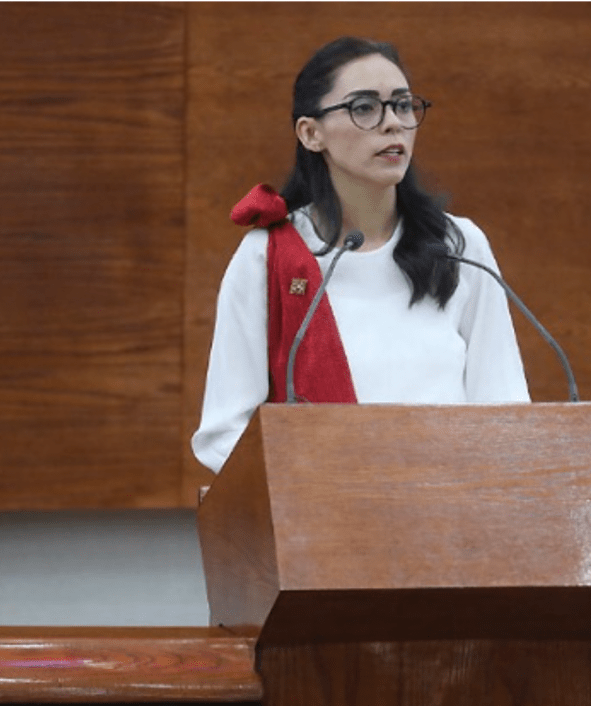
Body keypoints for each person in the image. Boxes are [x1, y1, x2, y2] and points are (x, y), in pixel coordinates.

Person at [192, 36, 529, 473]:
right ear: (311, 133)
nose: (393, 124)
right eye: (365, 108)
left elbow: (505, 408)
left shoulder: (459, 246)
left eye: (403, 105)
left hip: (450, 502)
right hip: (323, 506)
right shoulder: (268, 256)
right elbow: (225, 433)